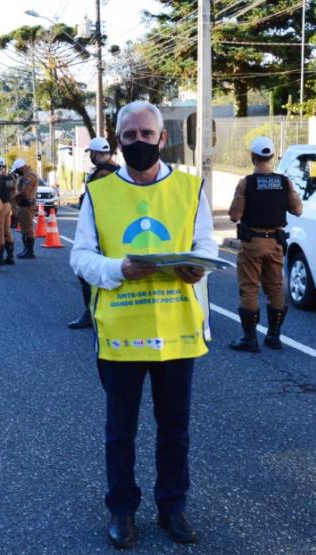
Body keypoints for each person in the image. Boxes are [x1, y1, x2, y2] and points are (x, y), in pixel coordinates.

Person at [71, 100, 217, 549]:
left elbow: (206, 244)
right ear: (118, 141)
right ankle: (122, 510)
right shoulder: (99, 194)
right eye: (130, 136)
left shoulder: (190, 188)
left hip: (177, 330)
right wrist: (118, 270)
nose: (139, 142)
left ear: (162, 138)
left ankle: (173, 507)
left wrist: (198, 266)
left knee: (175, 431)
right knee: (121, 432)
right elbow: (80, 257)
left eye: (146, 134)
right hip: (120, 333)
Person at [227, 137, 302, 352]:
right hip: (276, 243)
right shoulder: (285, 182)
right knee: (275, 288)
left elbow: (234, 215)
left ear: (253, 157)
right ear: (272, 157)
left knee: (249, 289)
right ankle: (274, 337)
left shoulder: (246, 183)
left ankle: (250, 339)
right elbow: (297, 210)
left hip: (252, 243)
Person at [69, 136, 121, 329]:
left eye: (91, 153)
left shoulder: (103, 174)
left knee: (87, 272)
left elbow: (100, 201)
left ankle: (91, 313)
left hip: (102, 227)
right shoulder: (117, 170)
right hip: (113, 227)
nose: (90, 156)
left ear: (96, 153)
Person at [11, 158, 39, 259]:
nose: (17, 172)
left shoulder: (29, 176)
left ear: (22, 168)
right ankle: (26, 249)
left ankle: (30, 251)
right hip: (23, 204)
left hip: (27, 204)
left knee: (27, 228)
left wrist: (14, 197)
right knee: (24, 228)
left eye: (17, 170)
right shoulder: (25, 175)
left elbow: (24, 192)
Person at [0, 157, 16, 265]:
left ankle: (0, 258)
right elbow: (12, 190)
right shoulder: (10, 178)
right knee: (7, 231)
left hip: (1, 204)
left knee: (0, 231)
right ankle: (10, 256)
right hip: (8, 204)